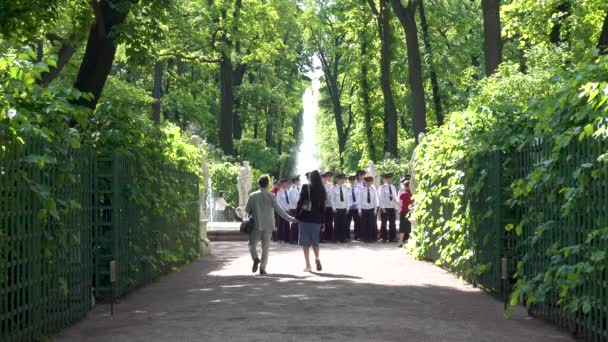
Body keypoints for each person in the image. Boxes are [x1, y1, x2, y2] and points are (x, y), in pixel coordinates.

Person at [245, 175, 296, 275]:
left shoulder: (252, 195)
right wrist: (290, 219)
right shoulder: (271, 195)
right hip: (268, 225)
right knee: (265, 248)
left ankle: (255, 258)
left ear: (259, 184)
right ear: (267, 184)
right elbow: (279, 210)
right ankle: (262, 268)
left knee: (251, 244)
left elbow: (247, 210)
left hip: (256, 224)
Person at [296, 170, 326, 272]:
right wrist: (323, 222)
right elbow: (323, 208)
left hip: (305, 218)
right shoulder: (322, 189)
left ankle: (308, 265)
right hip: (317, 220)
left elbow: (300, 202)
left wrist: (297, 215)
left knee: (305, 243)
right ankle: (317, 258)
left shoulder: (306, 187)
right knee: (315, 242)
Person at [379, 173, 400, 243]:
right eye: (388, 179)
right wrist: (383, 207)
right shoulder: (382, 187)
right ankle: (383, 237)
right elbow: (381, 198)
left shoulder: (393, 187)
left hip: (392, 206)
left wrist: (396, 206)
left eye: (390, 179)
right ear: (385, 179)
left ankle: (392, 237)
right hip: (385, 207)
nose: (389, 180)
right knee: (384, 223)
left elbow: (395, 196)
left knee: (392, 223)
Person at [358, 176, 379, 242]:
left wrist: (375, 210)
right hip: (364, 209)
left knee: (371, 224)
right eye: (367, 182)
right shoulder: (362, 190)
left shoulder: (373, 190)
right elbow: (359, 201)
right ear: (365, 182)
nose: (368, 183)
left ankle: (370, 238)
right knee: (364, 224)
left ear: (371, 182)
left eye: (369, 182)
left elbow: (375, 201)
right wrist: (359, 210)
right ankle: (364, 238)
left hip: (371, 208)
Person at [331, 174, 350, 242]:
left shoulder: (345, 188)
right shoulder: (334, 188)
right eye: (341, 179)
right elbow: (332, 199)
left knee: (344, 223)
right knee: (337, 224)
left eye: (343, 179)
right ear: (338, 180)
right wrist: (333, 208)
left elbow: (347, 199)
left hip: (344, 208)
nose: (342, 180)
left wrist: (347, 208)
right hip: (337, 208)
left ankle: (343, 238)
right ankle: (336, 238)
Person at [399, 177, 414, 248]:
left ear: (405, 186)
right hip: (410, 211)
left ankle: (401, 242)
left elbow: (400, 205)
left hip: (403, 212)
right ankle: (410, 242)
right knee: (409, 227)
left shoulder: (402, 194)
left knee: (402, 227)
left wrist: (394, 199)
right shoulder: (412, 194)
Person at [276, 178, 291, 243]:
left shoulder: (288, 191)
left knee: (287, 224)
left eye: (287, 183)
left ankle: (287, 238)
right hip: (282, 210)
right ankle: (280, 238)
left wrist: (289, 208)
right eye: (285, 183)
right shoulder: (279, 192)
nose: (286, 184)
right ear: (282, 184)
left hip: (287, 210)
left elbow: (289, 201)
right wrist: (282, 209)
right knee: (280, 224)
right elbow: (278, 202)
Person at [288, 175, 301, 244]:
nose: (299, 182)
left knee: (297, 224)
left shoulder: (296, 188)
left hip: (296, 208)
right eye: (298, 180)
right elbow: (294, 200)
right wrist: (302, 202)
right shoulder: (292, 189)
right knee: (294, 225)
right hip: (294, 209)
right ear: (295, 181)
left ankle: (296, 238)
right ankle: (293, 239)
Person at [321, 172, 335, 242]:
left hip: (329, 206)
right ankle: (323, 237)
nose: (325, 179)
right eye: (323, 178)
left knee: (329, 222)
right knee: (323, 222)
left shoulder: (330, 185)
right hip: (322, 206)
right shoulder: (319, 185)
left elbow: (331, 196)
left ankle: (330, 237)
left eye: (329, 176)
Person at [346, 175, 360, 241]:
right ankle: (347, 236)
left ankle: (357, 236)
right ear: (349, 181)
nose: (352, 182)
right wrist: (349, 205)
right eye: (351, 181)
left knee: (357, 223)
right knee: (347, 222)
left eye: (353, 180)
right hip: (349, 208)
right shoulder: (347, 190)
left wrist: (355, 204)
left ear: (355, 181)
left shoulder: (358, 190)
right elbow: (347, 199)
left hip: (356, 208)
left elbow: (359, 199)